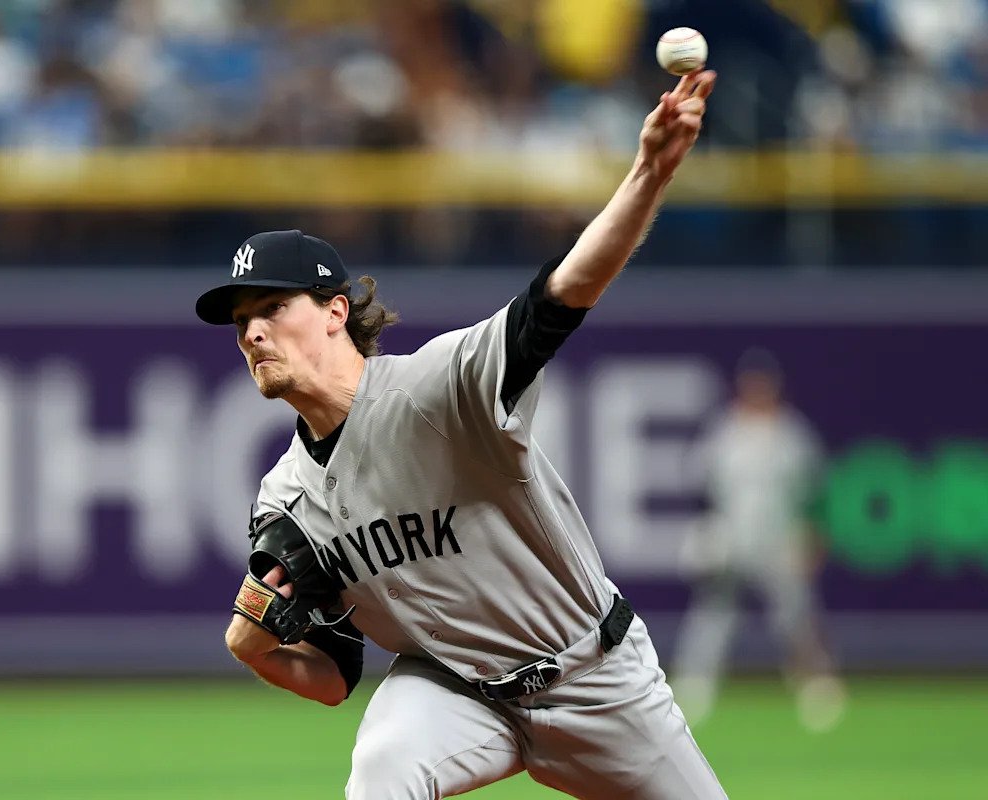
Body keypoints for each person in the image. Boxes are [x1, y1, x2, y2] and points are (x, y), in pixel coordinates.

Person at [199, 70, 726, 799]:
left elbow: (565, 292)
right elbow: (333, 677)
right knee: (383, 766)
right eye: (240, 322)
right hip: (454, 691)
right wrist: (256, 650)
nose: (252, 331)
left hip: (596, 680)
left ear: (334, 312)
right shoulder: (285, 500)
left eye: (272, 307)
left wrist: (648, 175)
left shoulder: (438, 388)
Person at [672, 348, 846, 733]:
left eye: (763, 386)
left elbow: (815, 493)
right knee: (713, 616)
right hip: (733, 537)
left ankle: (816, 686)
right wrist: (706, 530)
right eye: (751, 385)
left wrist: (812, 536)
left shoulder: (792, 434)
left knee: (794, 615)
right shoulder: (725, 431)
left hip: (778, 539)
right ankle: (694, 688)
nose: (757, 392)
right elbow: (700, 485)